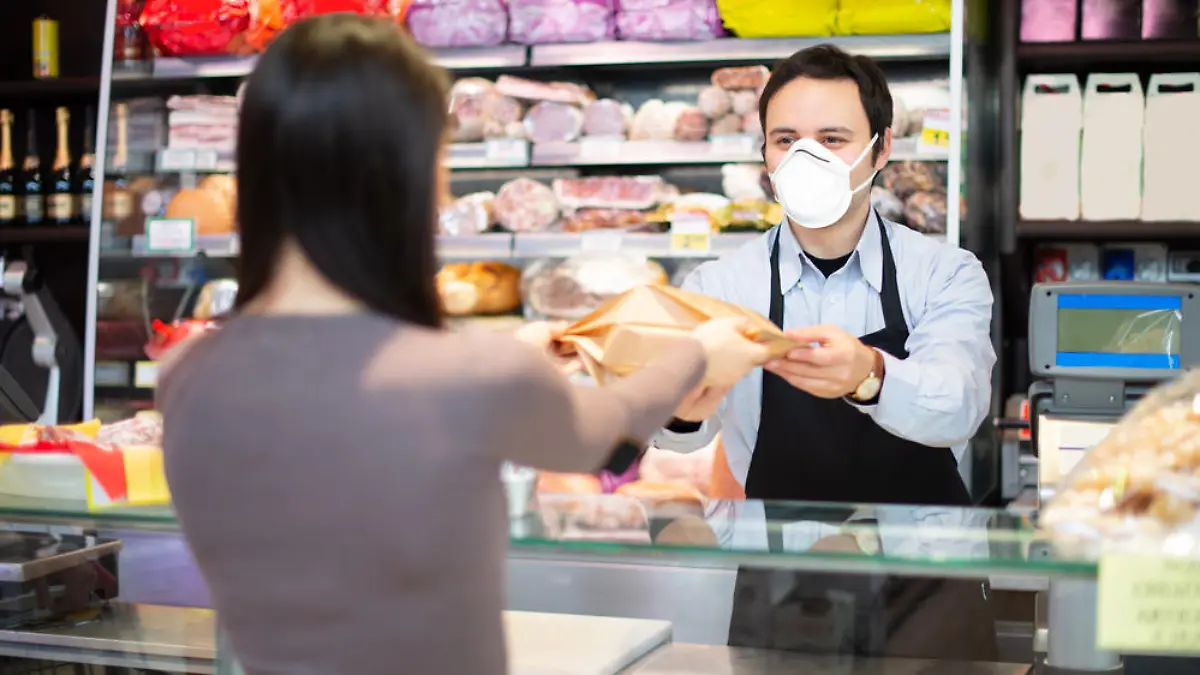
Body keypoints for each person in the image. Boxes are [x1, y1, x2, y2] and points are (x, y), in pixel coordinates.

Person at [155, 14, 768, 675]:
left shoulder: (189, 371)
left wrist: (515, 363)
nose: (443, 188)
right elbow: (610, 433)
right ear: (398, 177)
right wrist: (699, 352)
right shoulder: (466, 377)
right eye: (439, 159)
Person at [649, 45, 999, 660]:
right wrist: (679, 407)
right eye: (786, 139)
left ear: (881, 149)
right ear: (764, 153)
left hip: (926, 579)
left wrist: (869, 375)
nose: (806, 156)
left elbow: (959, 406)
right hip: (782, 577)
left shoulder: (945, 273)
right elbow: (681, 440)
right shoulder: (720, 285)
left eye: (832, 138)